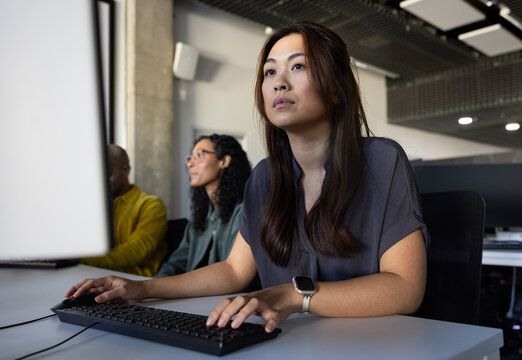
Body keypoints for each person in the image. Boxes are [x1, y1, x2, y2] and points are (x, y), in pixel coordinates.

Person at [66, 22, 429, 334]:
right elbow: (233, 270)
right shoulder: (264, 178)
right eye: (270, 72)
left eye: (298, 67)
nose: (278, 84)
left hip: (374, 344)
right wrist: (141, 290)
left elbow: (405, 288)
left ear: (335, 88)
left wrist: (293, 295)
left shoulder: (382, 161)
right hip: (285, 343)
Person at [155, 134, 251, 277]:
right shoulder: (199, 218)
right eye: (190, 158)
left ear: (224, 161)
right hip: (193, 296)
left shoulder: (244, 213)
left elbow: (234, 275)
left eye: (199, 155)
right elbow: (176, 264)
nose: (190, 163)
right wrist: (152, 286)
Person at [80, 144, 167, 277]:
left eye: (108, 173)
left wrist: (80, 258)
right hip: (92, 275)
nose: (101, 180)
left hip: (136, 283)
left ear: (126, 170)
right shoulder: (92, 206)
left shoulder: (151, 205)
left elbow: (135, 252)